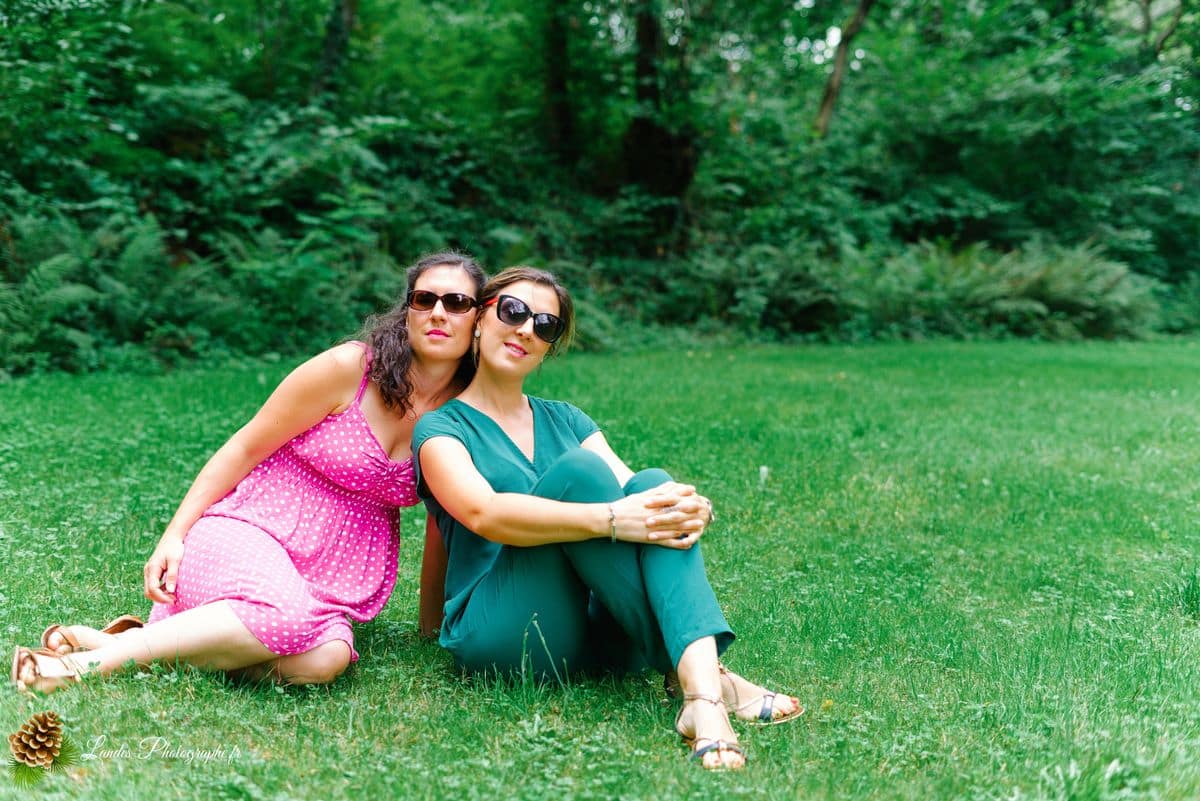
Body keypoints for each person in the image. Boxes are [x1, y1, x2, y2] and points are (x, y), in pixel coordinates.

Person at [11, 252, 487, 693]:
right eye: (424, 299)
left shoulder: (462, 415)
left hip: (329, 574)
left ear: (478, 320)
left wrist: (431, 628)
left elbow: (442, 520)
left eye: (457, 302)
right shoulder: (352, 369)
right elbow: (243, 448)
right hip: (251, 529)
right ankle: (82, 667)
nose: (438, 313)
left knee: (326, 660)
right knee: (284, 617)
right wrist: (174, 535)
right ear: (407, 311)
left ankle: (140, 643)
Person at [413, 266, 802, 771]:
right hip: (506, 634)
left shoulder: (566, 419)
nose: (527, 329)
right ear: (482, 321)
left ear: (549, 346)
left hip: (593, 637)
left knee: (652, 483)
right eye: (513, 311)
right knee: (579, 473)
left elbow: (637, 490)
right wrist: (612, 520)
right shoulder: (440, 428)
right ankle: (710, 690)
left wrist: (686, 504)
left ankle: (699, 696)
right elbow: (483, 514)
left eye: (546, 325)